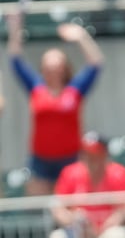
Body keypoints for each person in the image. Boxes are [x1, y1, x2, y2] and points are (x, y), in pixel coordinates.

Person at [6, 16, 105, 193]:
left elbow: (96, 63)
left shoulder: (75, 90)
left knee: (72, 203)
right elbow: (15, 60)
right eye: (48, 65)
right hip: (41, 160)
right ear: (42, 68)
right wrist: (15, 27)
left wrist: (81, 36)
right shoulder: (36, 88)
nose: (52, 69)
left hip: (71, 157)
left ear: (64, 67)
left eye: (56, 64)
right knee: (40, 206)